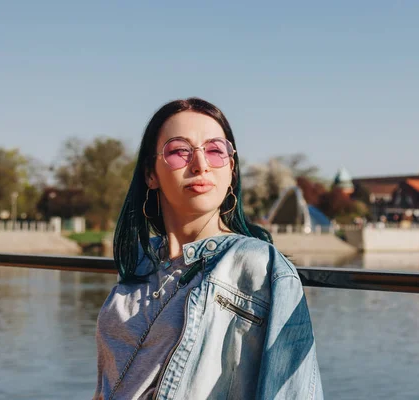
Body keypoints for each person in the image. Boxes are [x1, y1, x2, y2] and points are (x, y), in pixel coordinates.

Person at [93, 98, 323, 400]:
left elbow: (294, 390)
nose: (200, 165)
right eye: (180, 151)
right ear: (151, 173)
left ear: (231, 170)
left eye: (215, 151)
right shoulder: (140, 262)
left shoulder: (257, 264)